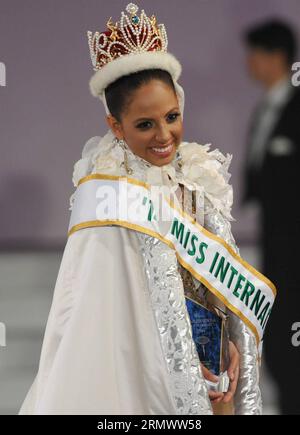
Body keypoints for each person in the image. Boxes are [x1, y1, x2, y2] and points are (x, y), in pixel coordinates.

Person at [19, 3, 270, 415]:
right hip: (145, 380)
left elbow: (212, 281)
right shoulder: (106, 189)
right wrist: (177, 365)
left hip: (214, 372)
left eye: (172, 116)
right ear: (115, 126)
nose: (164, 135)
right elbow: (105, 319)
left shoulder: (194, 175)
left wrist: (228, 345)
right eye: (144, 124)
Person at [242, 19, 300, 415]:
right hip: (275, 246)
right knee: (277, 340)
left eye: (255, 55)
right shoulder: (266, 106)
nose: (249, 64)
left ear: (276, 57)